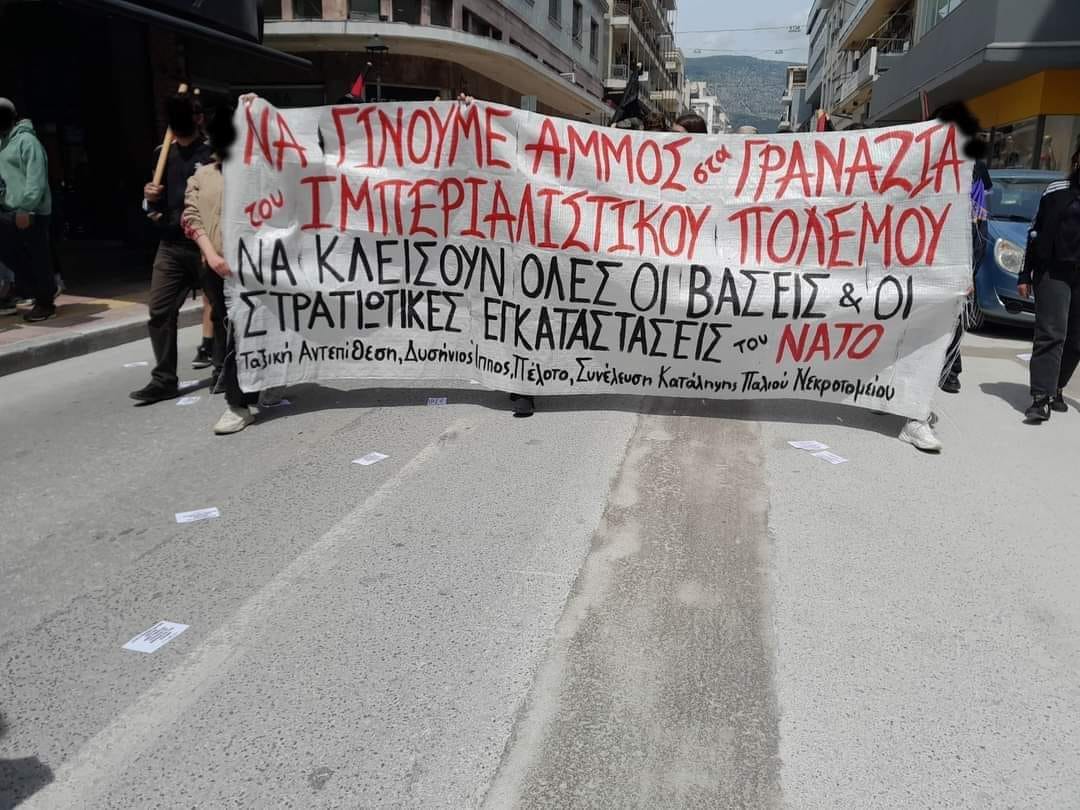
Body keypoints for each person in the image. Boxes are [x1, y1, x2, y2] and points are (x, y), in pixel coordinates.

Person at [182, 102, 272, 434]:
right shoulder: (201, 176)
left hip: (254, 269)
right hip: (216, 268)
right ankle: (248, 390)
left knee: (243, 330)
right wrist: (211, 255)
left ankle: (239, 403)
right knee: (229, 329)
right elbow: (190, 218)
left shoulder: (259, 174)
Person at [129, 92, 213, 405]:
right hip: (171, 246)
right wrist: (149, 198)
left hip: (206, 245)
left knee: (223, 311)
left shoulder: (214, 154)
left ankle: (225, 368)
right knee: (160, 311)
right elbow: (153, 204)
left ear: (199, 119)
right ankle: (164, 379)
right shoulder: (162, 154)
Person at [1019, 149, 1080, 422]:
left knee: (1076, 341)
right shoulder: (1057, 190)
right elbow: (1035, 231)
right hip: (1054, 271)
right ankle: (1040, 397)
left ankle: (1057, 386)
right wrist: (1024, 274)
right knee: (1052, 333)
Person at [0, 97, 57, 322]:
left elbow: (36, 179)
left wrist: (26, 208)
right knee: (10, 252)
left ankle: (46, 302)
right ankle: (40, 290)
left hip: (31, 212)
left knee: (37, 256)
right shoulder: (3, 143)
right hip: (10, 210)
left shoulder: (27, 141)